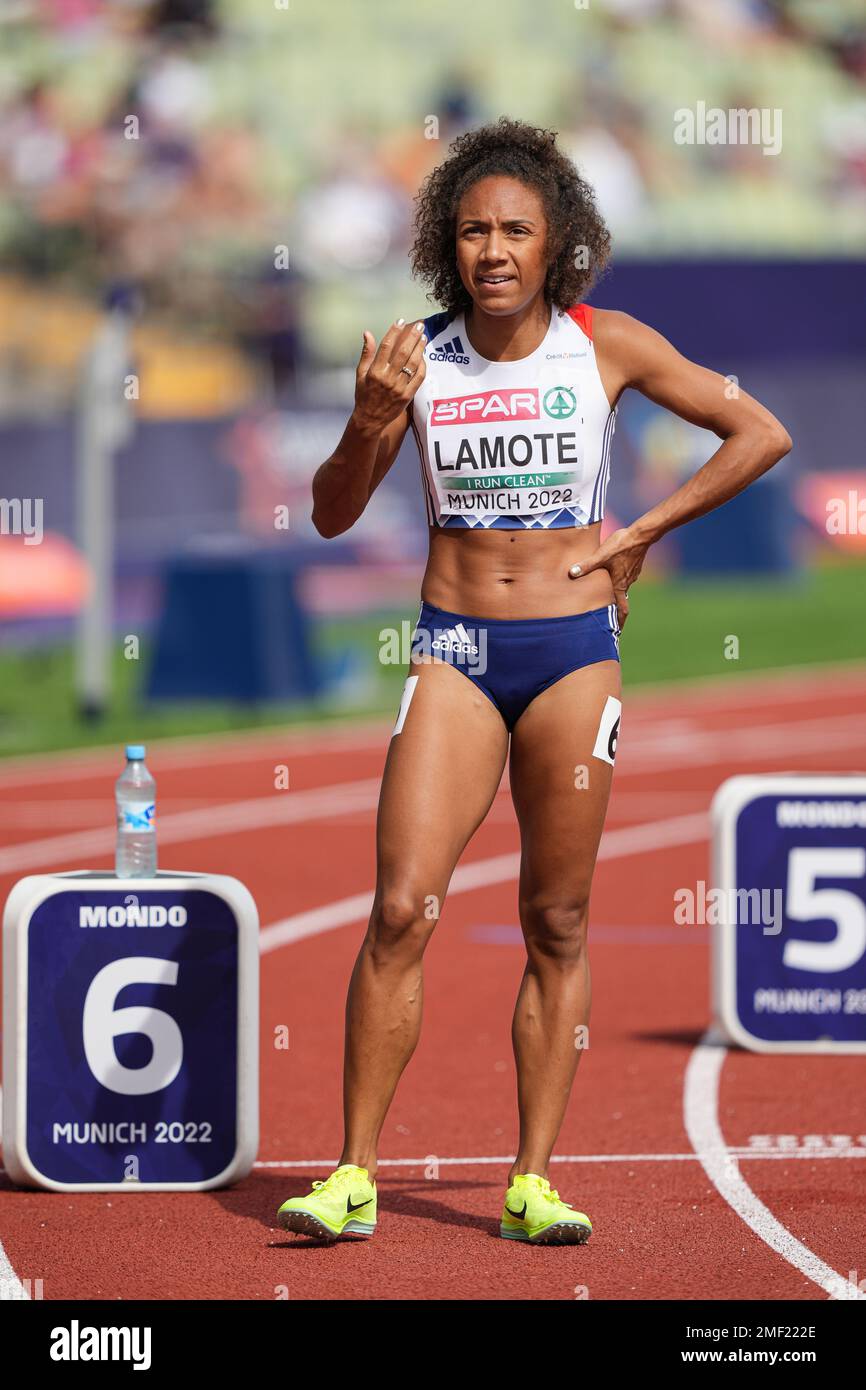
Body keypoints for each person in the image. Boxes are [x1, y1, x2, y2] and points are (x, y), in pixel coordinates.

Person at [277, 117, 791, 1246]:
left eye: (514, 229)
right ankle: (353, 1174)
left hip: (570, 656)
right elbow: (327, 513)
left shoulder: (605, 345)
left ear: (556, 241)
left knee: (555, 916)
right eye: (470, 231)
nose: (491, 250)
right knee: (401, 904)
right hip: (454, 649)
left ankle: (532, 1179)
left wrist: (642, 529)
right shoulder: (413, 358)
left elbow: (757, 433)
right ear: (442, 244)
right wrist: (368, 420)